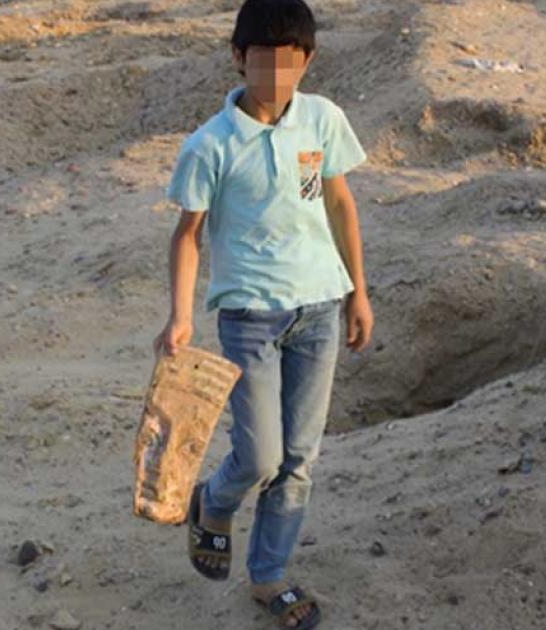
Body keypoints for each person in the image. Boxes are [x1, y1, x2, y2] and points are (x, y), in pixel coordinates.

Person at [152, 1, 374, 628]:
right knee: (259, 458)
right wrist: (180, 316)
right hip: (248, 316)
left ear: (309, 61)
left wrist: (358, 291)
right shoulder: (210, 144)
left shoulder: (323, 120)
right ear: (237, 57)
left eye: (290, 62)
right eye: (263, 61)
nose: (276, 76)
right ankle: (214, 501)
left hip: (319, 310)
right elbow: (188, 234)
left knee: (300, 459)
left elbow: (340, 204)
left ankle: (269, 575)